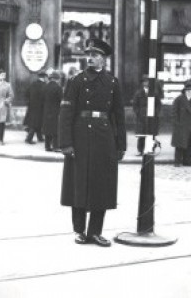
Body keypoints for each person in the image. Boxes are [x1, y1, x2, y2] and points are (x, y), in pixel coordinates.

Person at [59, 38, 126, 247]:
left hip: (104, 138)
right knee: (78, 184)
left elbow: (119, 115)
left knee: (101, 185)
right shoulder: (76, 81)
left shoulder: (112, 83)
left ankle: (95, 232)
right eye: (88, 54)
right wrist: (66, 143)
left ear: (104, 60)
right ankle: (79, 230)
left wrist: (120, 144)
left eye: (95, 55)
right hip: (80, 137)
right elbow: (66, 112)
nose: (90, 58)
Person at [132, 74, 161, 156]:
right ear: (142, 83)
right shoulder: (138, 93)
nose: (146, 83)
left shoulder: (154, 93)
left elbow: (158, 104)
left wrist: (156, 112)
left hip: (152, 116)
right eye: (144, 82)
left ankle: (151, 148)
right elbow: (135, 105)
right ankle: (140, 150)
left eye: (147, 81)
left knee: (151, 133)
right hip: (141, 117)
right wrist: (138, 112)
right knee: (141, 134)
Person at [171, 80, 191, 166]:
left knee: (189, 144)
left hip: (190, 126)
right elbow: (174, 113)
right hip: (181, 126)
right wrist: (177, 124)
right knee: (179, 145)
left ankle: (187, 161)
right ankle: (177, 162)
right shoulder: (179, 99)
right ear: (187, 91)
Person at [42, 70, 63, 152]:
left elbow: (42, 99)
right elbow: (61, 99)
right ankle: (55, 146)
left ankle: (47, 146)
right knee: (55, 129)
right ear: (57, 79)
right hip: (55, 110)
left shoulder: (45, 87)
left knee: (47, 129)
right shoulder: (58, 88)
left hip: (46, 110)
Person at [24, 71, 47, 144]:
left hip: (32, 107)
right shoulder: (44, 85)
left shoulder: (33, 84)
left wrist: (29, 102)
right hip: (40, 107)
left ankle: (40, 137)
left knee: (37, 122)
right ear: (44, 77)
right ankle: (28, 139)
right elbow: (45, 97)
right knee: (35, 124)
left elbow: (26, 93)